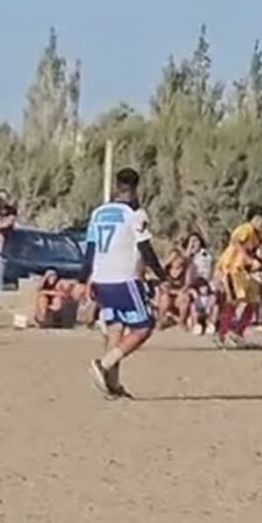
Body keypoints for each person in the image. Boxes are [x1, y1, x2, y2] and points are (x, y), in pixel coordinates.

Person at [83, 168, 168, 398]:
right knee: (144, 326)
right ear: (135, 188)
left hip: (101, 279)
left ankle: (112, 385)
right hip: (124, 279)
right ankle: (104, 364)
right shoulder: (135, 213)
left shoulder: (98, 213)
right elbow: (145, 248)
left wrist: (86, 278)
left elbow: (90, 249)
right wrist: (162, 275)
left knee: (115, 329)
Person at [215, 206, 262, 347]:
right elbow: (236, 243)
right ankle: (221, 334)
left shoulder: (258, 236)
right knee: (234, 300)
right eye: (259, 220)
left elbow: (251, 253)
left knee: (254, 301)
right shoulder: (245, 229)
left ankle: (238, 332)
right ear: (252, 219)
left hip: (244, 272)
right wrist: (249, 259)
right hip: (231, 268)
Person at [156, 249, 193, 329]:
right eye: (174, 260)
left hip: (178, 296)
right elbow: (163, 287)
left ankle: (181, 321)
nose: (177, 262)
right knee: (165, 298)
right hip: (167, 295)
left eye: (178, 259)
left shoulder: (186, 269)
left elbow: (187, 284)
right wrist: (176, 292)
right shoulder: (165, 270)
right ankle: (161, 320)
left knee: (185, 297)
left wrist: (181, 291)